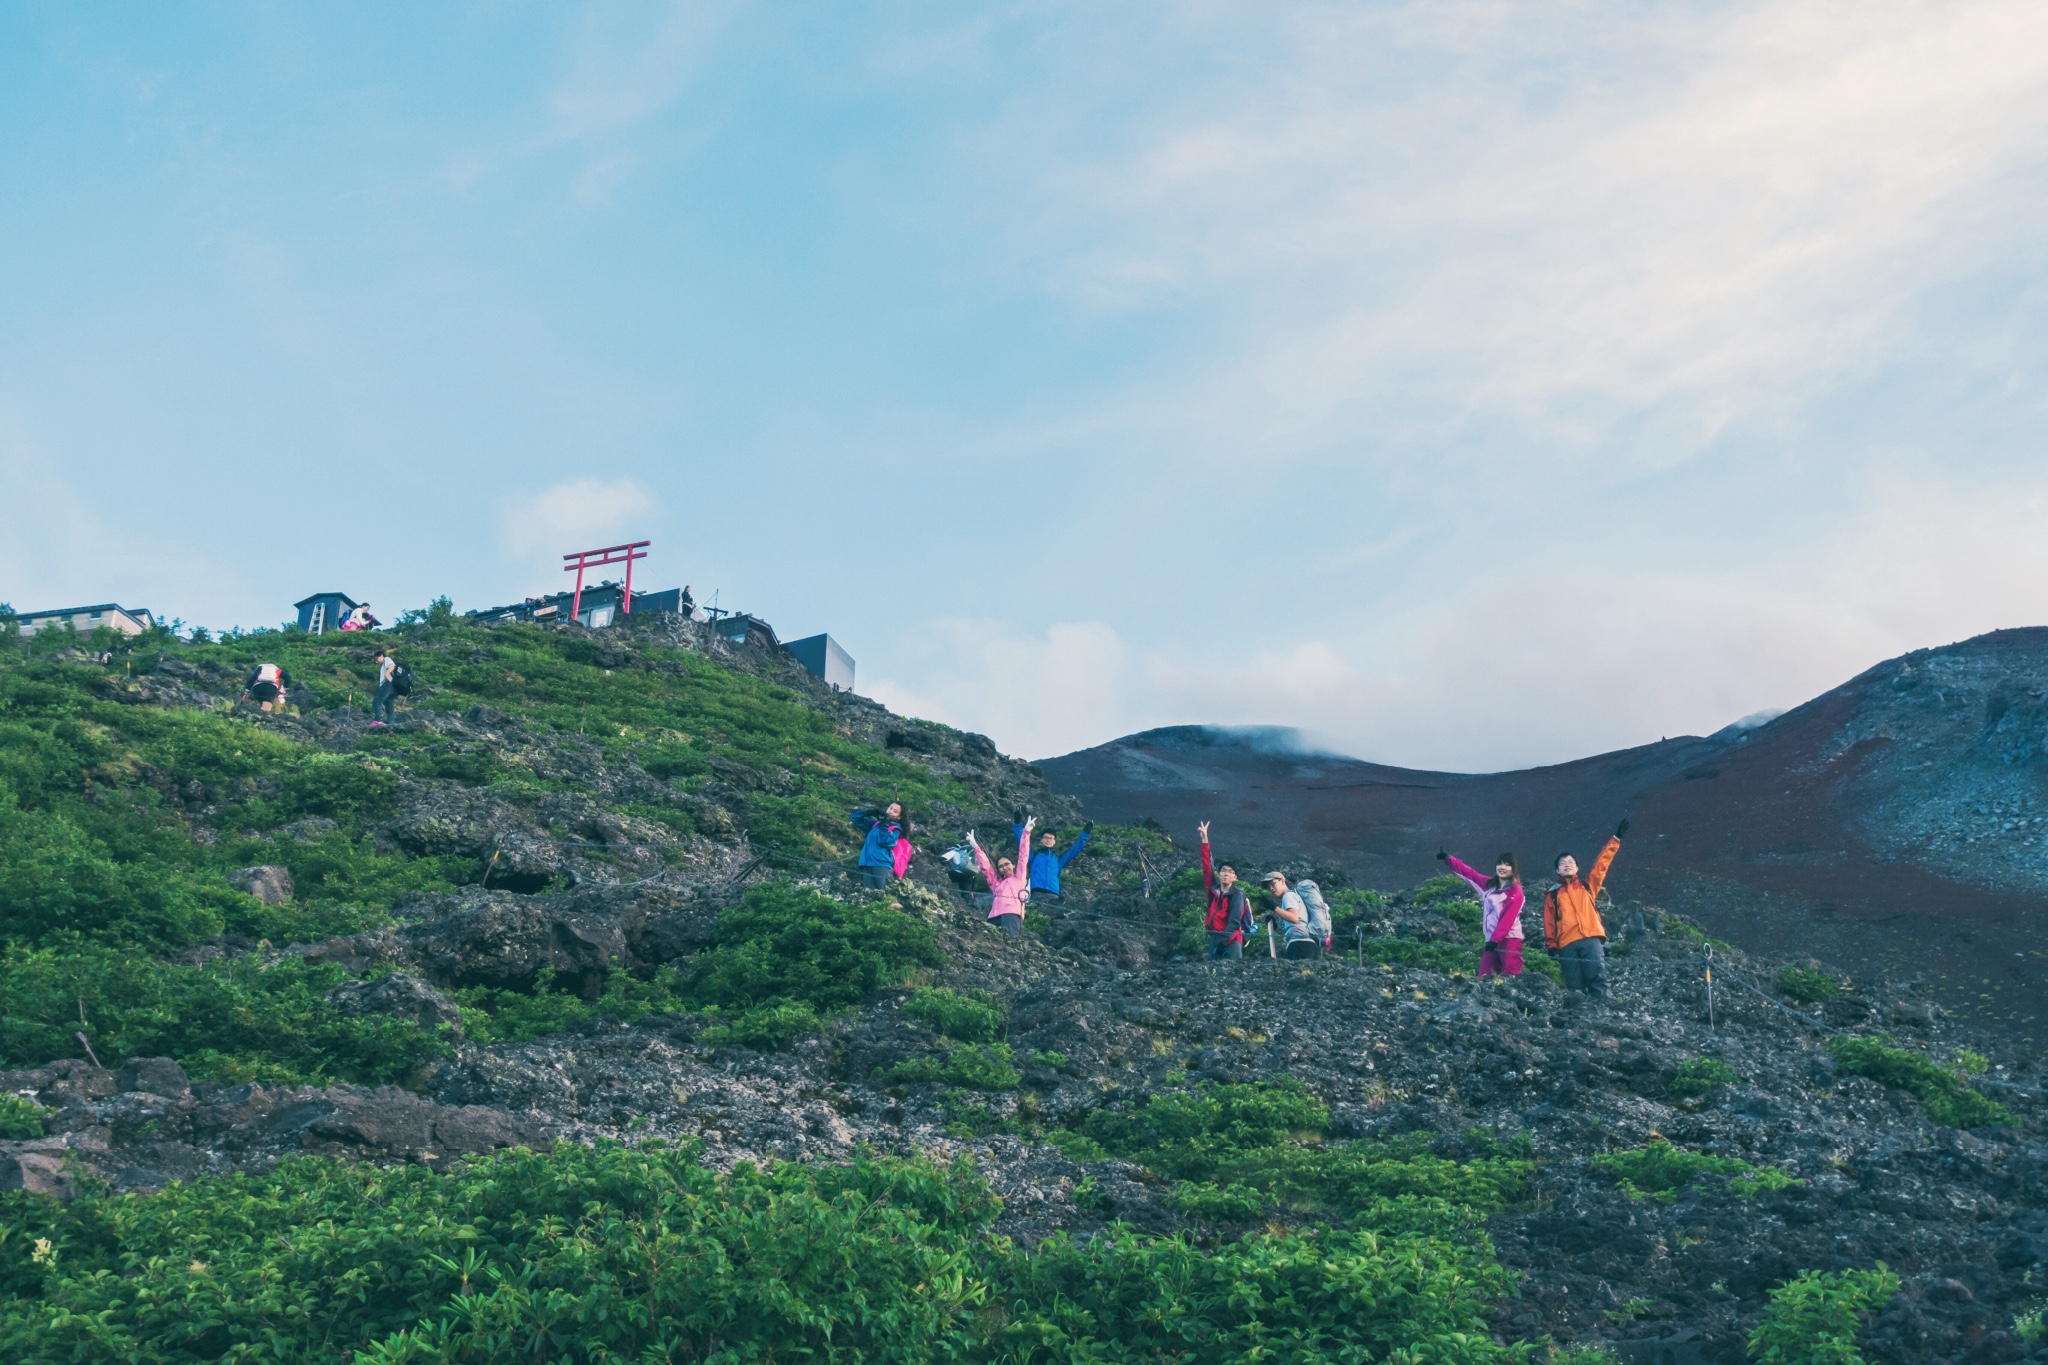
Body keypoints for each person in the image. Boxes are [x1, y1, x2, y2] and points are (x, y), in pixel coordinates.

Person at [1544, 819, 1629, 996]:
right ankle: (1579, 1020)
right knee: (1574, 986)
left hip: (1590, 937)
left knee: (1598, 977)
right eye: (1562, 863)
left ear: (1577, 868)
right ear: (1557, 871)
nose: (1567, 864)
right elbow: (1549, 922)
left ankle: (1606, 1013)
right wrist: (1552, 945)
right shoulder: (1552, 894)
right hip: (1566, 943)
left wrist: (1616, 839)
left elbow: (1601, 865)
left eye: (1570, 862)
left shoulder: (1587, 886)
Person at [1438, 848, 1525, 976]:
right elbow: (1470, 874)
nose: (1502, 867)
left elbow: (1508, 919)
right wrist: (1448, 859)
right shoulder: (1489, 885)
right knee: (1484, 976)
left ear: (1514, 869)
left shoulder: (1516, 892)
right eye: (1500, 863)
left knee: (1512, 974)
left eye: (1507, 864)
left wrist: (1495, 939)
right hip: (1491, 940)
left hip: (1510, 938)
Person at [969, 818, 1033, 935]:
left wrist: (1026, 832)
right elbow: (986, 868)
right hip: (993, 916)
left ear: (1013, 865)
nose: (1005, 867)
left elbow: (1023, 856)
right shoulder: (996, 883)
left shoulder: (1019, 877)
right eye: (1001, 866)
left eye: (1007, 864)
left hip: (1011, 915)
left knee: (1011, 944)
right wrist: (975, 847)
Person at [1199, 821, 1253, 958]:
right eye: (1223, 870)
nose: (1226, 873)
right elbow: (1207, 868)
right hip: (1215, 936)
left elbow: (1235, 921)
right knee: (1213, 972)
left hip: (1232, 938)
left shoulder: (1237, 893)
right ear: (1219, 874)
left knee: (1234, 970)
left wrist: (1223, 941)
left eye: (1230, 871)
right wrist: (1205, 840)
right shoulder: (1213, 890)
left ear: (1235, 877)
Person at [1015, 810, 1092, 900]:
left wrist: (1086, 833)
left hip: (1054, 894)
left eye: (1051, 838)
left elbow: (1075, 849)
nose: (1048, 840)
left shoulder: (1058, 859)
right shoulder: (1034, 856)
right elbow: (1022, 844)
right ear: (1041, 840)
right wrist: (1017, 823)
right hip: (1037, 892)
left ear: (1054, 842)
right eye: (1046, 838)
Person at [1263, 871, 1321, 960]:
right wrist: (1275, 925)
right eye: (1268, 886)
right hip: (1306, 943)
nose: (1271, 888)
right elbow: (1290, 927)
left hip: (1299, 943)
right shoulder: (1289, 897)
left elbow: (1294, 918)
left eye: (1273, 884)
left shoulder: (1288, 896)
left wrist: (1273, 908)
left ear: (1282, 881)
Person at [850, 803, 906, 891]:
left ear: (898, 817)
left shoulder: (896, 829)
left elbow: (884, 841)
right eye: (890, 808)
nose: (890, 811)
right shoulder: (875, 824)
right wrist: (869, 812)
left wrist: (885, 825)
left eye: (895, 811)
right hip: (867, 862)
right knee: (870, 894)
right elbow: (854, 818)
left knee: (883, 892)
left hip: (882, 864)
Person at [371, 649, 398, 726]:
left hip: (388, 684)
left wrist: (386, 674)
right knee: (389, 704)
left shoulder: (387, 659)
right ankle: (391, 723)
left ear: (381, 656)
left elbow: (392, 666)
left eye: (377, 659)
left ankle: (378, 720)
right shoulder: (383, 665)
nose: (376, 661)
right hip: (393, 687)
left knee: (376, 701)